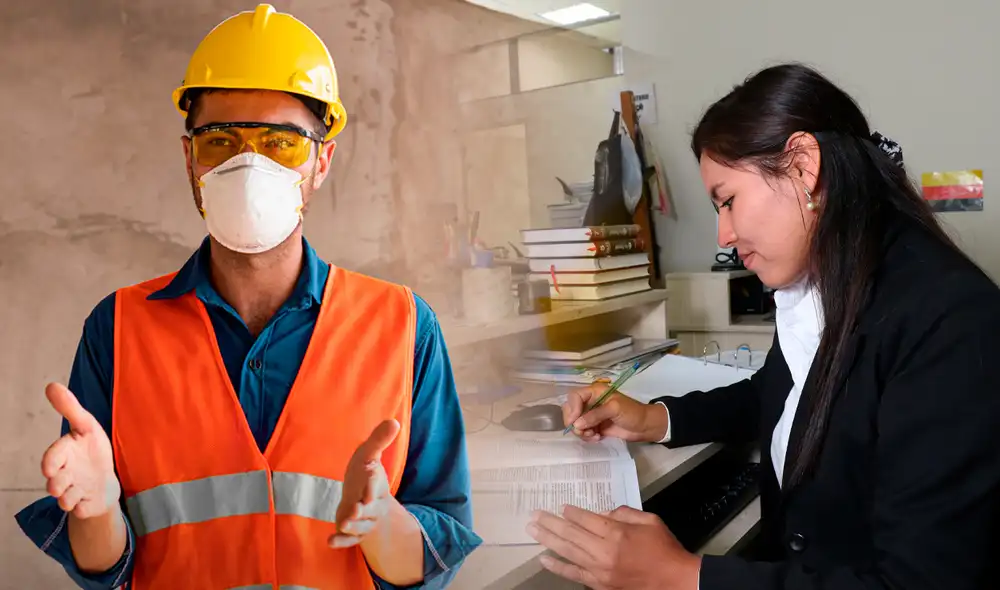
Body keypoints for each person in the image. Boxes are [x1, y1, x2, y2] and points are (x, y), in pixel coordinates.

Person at [14, 4, 481, 589]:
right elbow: (102, 565)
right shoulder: (119, 329)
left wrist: (383, 521)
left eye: (280, 143)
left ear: (322, 160)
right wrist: (100, 509)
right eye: (219, 140)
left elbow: (432, 562)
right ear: (190, 158)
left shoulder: (404, 326)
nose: (247, 163)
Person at [526, 63, 1000, 590]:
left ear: (802, 165)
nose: (723, 233)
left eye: (727, 200)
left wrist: (685, 576)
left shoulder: (951, 321)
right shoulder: (824, 280)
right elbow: (777, 396)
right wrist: (655, 420)